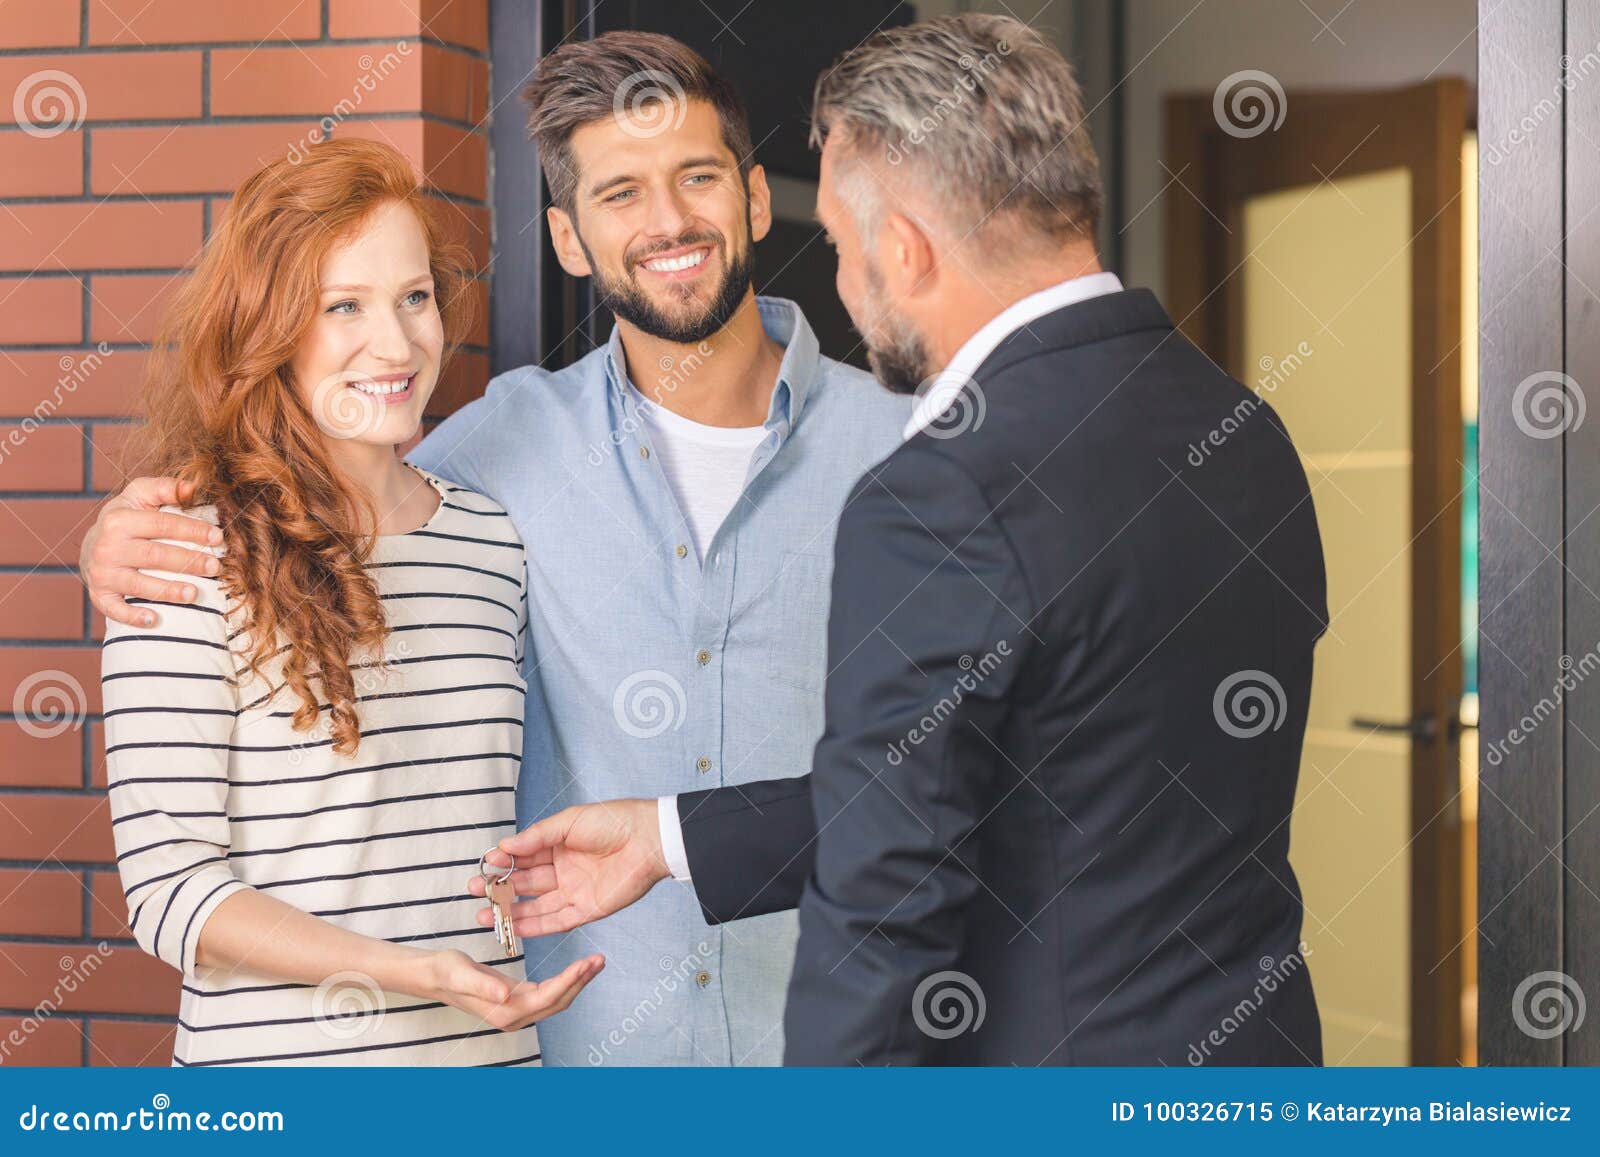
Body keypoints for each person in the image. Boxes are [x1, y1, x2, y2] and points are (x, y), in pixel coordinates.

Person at [481, 14, 1329, 1067]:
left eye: (838, 241)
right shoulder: (1243, 430)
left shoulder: (938, 485)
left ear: (904, 249)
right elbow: (1032, 779)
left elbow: (884, 909)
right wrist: (669, 837)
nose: (839, 278)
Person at [80, 33, 910, 1066]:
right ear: (566, 239)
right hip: (552, 1062)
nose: (666, 222)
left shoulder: (911, 448)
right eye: (618, 194)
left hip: (823, 1053)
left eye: (694, 178)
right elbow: (170, 879)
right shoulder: (497, 455)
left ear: (751, 198)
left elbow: (994, 758)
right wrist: (120, 539)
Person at [100, 139, 600, 1066]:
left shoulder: (493, 542)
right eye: (344, 307)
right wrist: (414, 972)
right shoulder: (185, 553)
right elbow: (169, 894)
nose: (397, 343)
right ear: (270, 331)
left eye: (414, 297)